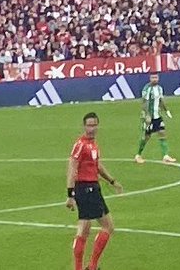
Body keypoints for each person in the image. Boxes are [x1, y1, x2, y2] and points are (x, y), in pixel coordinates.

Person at [67, 111, 123, 270]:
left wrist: (112, 181)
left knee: (84, 229)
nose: (92, 129)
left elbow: (97, 166)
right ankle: (91, 266)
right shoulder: (81, 144)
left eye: (95, 125)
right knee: (106, 226)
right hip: (86, 189)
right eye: (89, 125)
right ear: (84, 126)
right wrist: (70, 194)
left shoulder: (93, 145)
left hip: (92, 189)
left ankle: (85, 267)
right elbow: (72, 167)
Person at [135, 73, 176, 165]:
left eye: (156, 77)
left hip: (157, 116)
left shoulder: (159, 88)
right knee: (146, 137)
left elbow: (161, 100)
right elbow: (144, 102)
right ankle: (138, 155)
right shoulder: (147, 89)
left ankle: (165, 156)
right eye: (153, 77)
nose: (154, 79)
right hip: (149, 117)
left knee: (162, 133)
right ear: (150, 78)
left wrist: (166, 111)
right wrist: (147, 115)